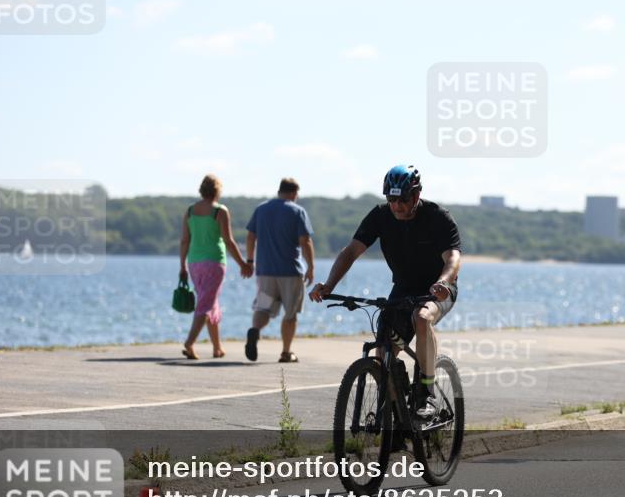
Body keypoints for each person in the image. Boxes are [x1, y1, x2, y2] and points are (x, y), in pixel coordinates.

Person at [309, 165, 461, 420]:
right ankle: (396, 413)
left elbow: (453, 258)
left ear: (416, 195)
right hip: (403, 288)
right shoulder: (380, 216)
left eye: (403, 200)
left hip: (438, 289)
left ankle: (426, 393)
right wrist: (329, 285)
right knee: (384, 348)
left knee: (422, 317)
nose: (397, 206)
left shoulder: (437, 217)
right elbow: (351, 251)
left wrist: (444, 282)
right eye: (391, 199)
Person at [179, 174, 252, 360]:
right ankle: (189, 343)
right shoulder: (220, 211)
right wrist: (243, 264)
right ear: (217, 191)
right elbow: (229, 241)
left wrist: (182, 266)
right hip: (214, 262)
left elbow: (185, 240)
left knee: (210, 301)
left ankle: (217, 347)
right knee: (206, 303)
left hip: (194, 263)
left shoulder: (190, 211)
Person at [244, 178, 315, 363]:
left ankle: (255, 330)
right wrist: (311, 267)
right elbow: (305, 241)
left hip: (265, 271)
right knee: (290, 314)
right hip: (290, 271)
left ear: (279, 191)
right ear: (294, 193)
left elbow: (250, 236)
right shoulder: (297, 211)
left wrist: (250, 261)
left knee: (263, 308)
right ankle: (285, 352)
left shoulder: (261, 209)